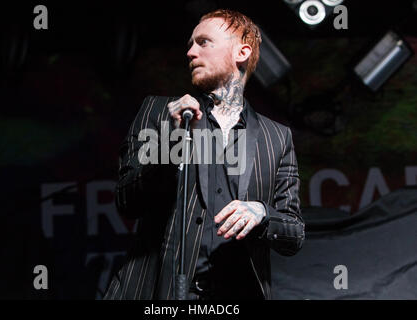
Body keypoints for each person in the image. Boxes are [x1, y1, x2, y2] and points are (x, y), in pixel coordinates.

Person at [104, 9, 305, 300]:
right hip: (159, 293)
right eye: (190, 44)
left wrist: (261, 213)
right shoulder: (161, 111)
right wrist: (174, 141)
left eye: (203, 42)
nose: (190, 52)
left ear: (242, 52)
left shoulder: (277, 136)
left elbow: (293, 234)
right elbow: (127, 201)